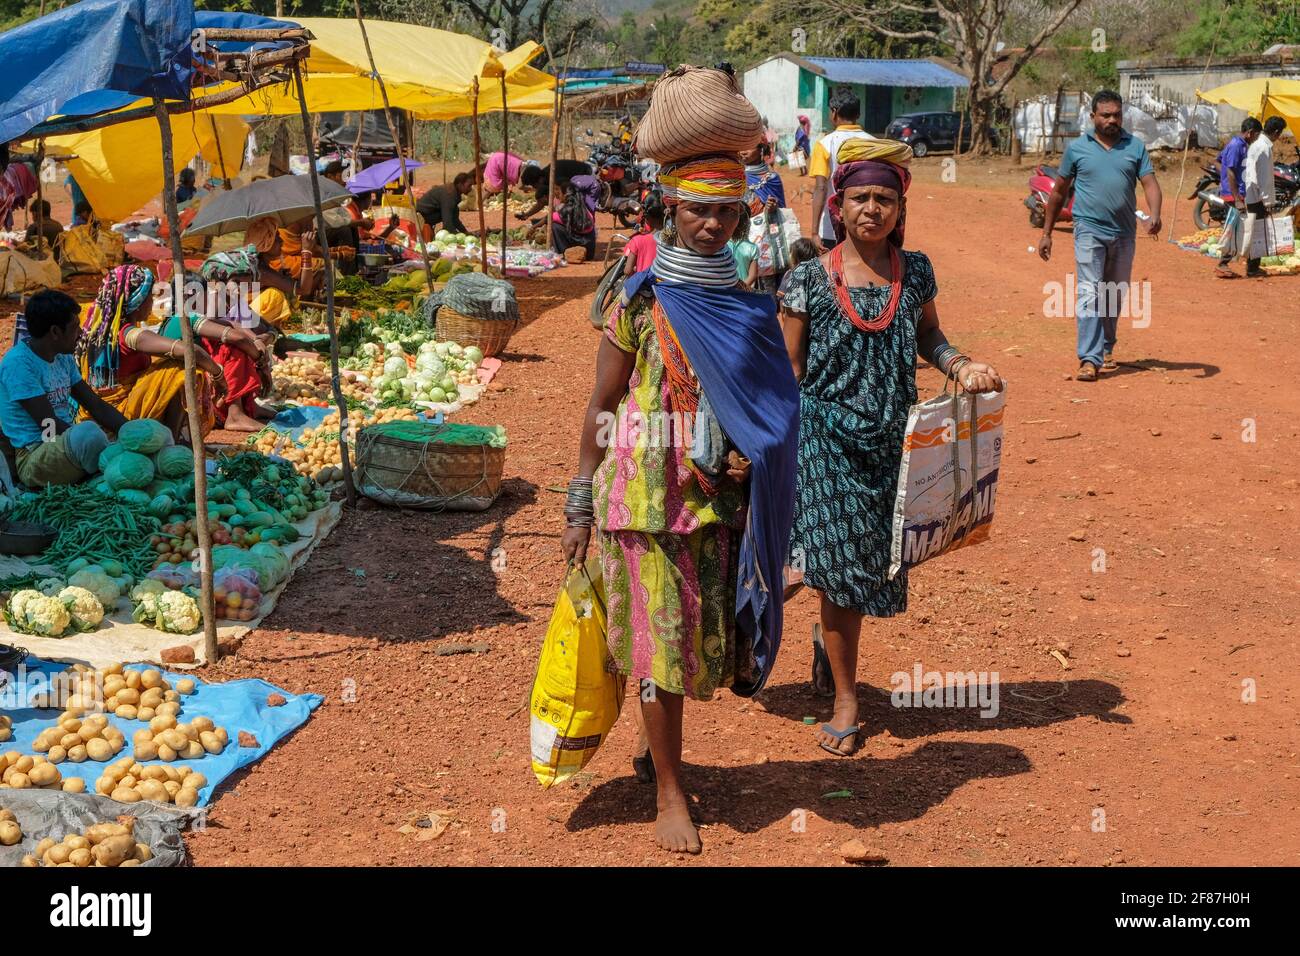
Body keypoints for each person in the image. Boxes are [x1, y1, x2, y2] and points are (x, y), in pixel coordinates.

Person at [562, 153, 799, 854]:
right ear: (669, 212)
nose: (713, 223)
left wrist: (756, 455)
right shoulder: (640, 297)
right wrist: (579, 500)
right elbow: (603, 404)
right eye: (699, 209)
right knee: (657, 644)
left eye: (727, 211)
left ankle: (656, 754)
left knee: (701, 643)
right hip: (643, 496)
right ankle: (670, 791)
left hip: (717, 497)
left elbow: (774, 400)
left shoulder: (749, 302)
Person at [781, 137, 1004, 756]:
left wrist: (958, 364)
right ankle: (848, 700)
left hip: (894, 444)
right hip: (825, 441)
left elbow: (929, 334)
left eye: (884, 199)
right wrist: (768, 444)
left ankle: (828, 652)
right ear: (838, 205)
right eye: (860, 198)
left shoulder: (917, 272)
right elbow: (789, 369)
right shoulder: (807, 280)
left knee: (857, 568)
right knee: (842, 574)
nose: (872, 210)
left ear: (899, 209)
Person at [1036, 90, 1162, 381]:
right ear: (1093, 116)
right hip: (1088, 230)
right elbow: (1058, 192)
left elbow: (1150, 184)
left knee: (1113, 294)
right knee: (1090, 291)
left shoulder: (1135, 147)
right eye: (1105, 115)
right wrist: (1047, 233)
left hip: (1124, 233)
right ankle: (1089, 359)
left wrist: (1154, 214)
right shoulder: (1078, 149)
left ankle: (1106, 346)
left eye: (1117, 114)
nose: (1112, 120)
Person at [78, 266, 224, 441]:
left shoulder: (102, 329)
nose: (153, 302)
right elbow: (191, 352)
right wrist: (218, 375)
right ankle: (171, 439)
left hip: (104, 411)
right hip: (120, 414)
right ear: (136, 301)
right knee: (181, 371)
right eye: (150, 297)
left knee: (164, 363)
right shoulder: (129, 334)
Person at [0, 290, 127, 488]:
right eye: (75, 328)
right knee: (89, 434)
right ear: (55, 332)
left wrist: (131, 431)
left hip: (64, 443)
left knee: (120, 434)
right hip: (36, 456)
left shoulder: (62, 356)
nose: (80, 334)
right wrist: (89, 445)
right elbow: (48, 426)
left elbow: (95, 405)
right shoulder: (19, 364)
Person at [810, 89, 875, 250]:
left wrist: (814, 232)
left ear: (834, 112)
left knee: (833, 272)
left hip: (832, 227)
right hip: (866, 224)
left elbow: (821, 187)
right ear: (858, 114)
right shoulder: (874, 143)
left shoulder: (824, 144)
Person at [1214, 118, 1261, 279]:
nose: (1256, 138)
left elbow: (1219, 161)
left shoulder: (1241, 144)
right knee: (1233, 229)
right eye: (1256, 135)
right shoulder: (1236, 146)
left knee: (1235, 228)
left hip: (1237, 192)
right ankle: (1222, 263)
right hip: (1233, 195)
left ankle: (1226, 262)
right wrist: (1236, 197)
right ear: (1250, 133)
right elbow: (1231, 172)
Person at [1242, 116, 1288, 279]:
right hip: (1258, 197)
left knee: (1256, 231)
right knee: (1258, 232)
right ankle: (1252, 268)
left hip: (1254, 195)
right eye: (1280, 133)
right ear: (1276, 132)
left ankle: (1253, 266)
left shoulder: (1258, 145)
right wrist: (1267, 201)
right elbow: (1262, 178)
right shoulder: (1263, 148)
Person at [516, 160, 594, 221]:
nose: (534, 187)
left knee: (580, 208)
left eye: (534, 185)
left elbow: (558, 206)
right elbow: (542, 202)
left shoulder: (554, 177)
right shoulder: (545, 179)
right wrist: (527, 214)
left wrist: (543, 222)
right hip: (576, 181)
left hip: (586, 177)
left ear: (539, 180)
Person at [550, 176, 598, 260]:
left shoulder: (566, 210)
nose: (557, 194)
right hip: (589, 250)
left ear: (565, 195)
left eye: (559, 192)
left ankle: (562, 253)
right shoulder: (584, 207)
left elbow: (549, 218)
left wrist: (534, 226)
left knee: (554, 226)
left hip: (577, 249)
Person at [416, 172, 474, 239]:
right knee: (449, 216)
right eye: (469, 186)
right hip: (422, 216)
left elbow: (455, 219)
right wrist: (457, 236)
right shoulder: (449, 195)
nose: (470, 189)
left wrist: (465, 232)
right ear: (460, 184)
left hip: (431, 214)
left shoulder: (455, 193)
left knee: (452, 212)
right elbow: (447, 223)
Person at [621, 194, 664, 277]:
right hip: (667, 287)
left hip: (644, 286)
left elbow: (627, 271)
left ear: (646, 216)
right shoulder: (675, 239)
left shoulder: (637, 240)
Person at [776, 237, 819, 307]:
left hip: (793, 313)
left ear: (795, 257)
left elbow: (782, 301)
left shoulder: (789, 275)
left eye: (790, 254)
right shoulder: (818, 273)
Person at [742, 142, 786, 209]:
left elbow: (781, 208)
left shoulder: (772, 178)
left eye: (749, 148)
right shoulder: (736, 176)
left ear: (760, 150)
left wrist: (772, 207)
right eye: (741, 148)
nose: (743, 152)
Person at [728, 207, 759, 289]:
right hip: (744, 290)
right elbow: (752, 275)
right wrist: (741, 289)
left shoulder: (721, 243)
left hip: (725, 290)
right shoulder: (752, 248)